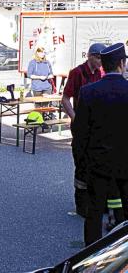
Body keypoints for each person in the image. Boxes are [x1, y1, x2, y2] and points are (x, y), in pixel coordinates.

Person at [72, 43, 128, 246]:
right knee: (125, 217)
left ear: (103, 65)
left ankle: (91, 261)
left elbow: (79, 136)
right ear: (122, 63)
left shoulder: (88, 92)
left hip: (97, 168)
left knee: (93, 216)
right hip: (126, 168)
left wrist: (82, 166)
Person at [62, 43, 105, 218]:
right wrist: (75, 117)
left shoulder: (102, 73)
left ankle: (94, 200)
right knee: (81, 163)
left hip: (96, 126)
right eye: (99, 58)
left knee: (95, 162)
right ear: (91, 56)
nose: (101, 61)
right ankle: (81, 204)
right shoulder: (77, 73)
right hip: (81, 126)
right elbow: (65, 99)